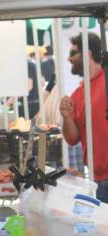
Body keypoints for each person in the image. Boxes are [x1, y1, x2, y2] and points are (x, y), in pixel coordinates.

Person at [60, 33, 108, 202]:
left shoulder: (106, 81)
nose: (68, 59)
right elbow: (73, 139)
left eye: (73, 53)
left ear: (88, 54)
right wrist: (66, 118)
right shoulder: (79, 94)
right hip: (97, 179)